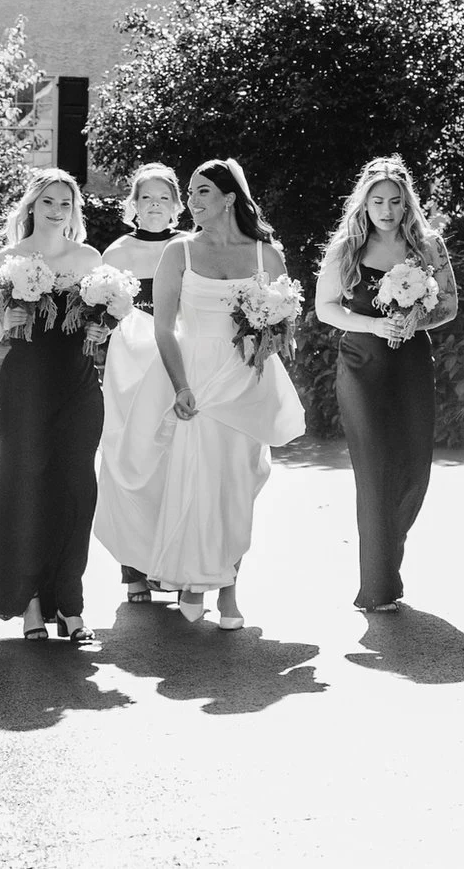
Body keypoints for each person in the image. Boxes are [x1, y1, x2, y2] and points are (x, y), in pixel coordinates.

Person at [95, 158, 305, 628]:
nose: (190, 200)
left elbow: (283, 322)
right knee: (198, 477)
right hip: (193, 377)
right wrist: (181, 385)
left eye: (201, 191)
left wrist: (266, 336)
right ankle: (201, 582)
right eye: (188, 192)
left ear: (229, 198)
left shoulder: (266, 256)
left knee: (238, 485)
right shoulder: (180, 253)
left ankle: (224, 584)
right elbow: (166, 329)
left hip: (246, 379)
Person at [314, 155, 458, 612]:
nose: (387, 209)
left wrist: (417, 317)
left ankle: (386, 554)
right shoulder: (347, 248)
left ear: (407, 203)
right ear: (364, 203)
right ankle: (377, 585)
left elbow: (450, 303)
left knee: (414, 471)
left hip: (412, 362)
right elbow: (325, 308)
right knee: (375, 475)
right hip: (363, 366)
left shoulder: (428, 246)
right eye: (377, 200)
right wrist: (374, 326)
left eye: (396, 201)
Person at [0, 168, 105, 643]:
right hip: (25, 388)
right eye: (49, 201)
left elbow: (102, 318)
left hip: (77, 386)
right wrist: (5, 318)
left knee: (77, 490)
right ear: (32, 204)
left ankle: (70, 605)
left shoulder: (89, 258)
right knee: (26, 487)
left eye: (66, 203)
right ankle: (31, 600)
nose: (57, 211)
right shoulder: (8, 258)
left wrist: (101, 329)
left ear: (74, 210)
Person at [95, 163, 186, 604]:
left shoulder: (190, 248)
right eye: (146, 198)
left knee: (175, 459)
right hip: (130, 365)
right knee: (129, 452)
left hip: (178, 363)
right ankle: (133, 568)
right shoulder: (115, 253)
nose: (155, 205)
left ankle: (172, 564)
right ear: (132, 205)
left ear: (176, 205)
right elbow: (100, 315)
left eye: (163, 198)